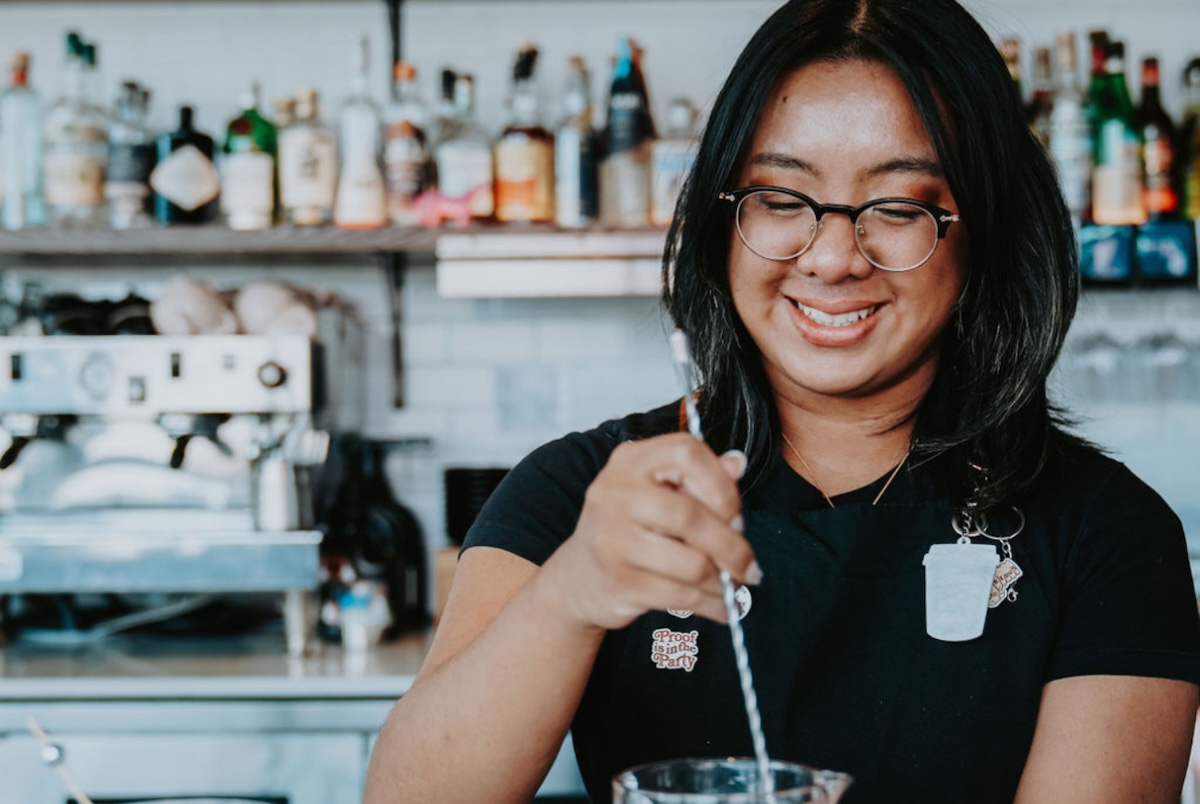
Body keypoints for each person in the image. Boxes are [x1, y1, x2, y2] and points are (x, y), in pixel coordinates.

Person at [364, 0, 1200, 801]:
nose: (832, 257)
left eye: (899, 206)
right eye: (779, 198)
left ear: (985, 234)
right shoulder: (581, 493)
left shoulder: (1108, 535)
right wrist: (568, 596)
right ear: (723, 219)